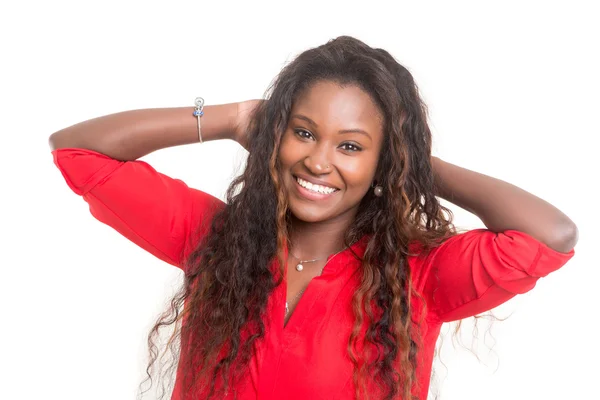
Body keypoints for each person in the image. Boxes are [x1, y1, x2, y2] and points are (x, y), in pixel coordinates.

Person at [48, 36, 578, 400]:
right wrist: (230, 117)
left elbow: (550, 235)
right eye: (302, 132)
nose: (318, 161)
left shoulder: (418, 275)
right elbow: (79, 152)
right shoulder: (216, 238)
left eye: (351, 145)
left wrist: (413, 161)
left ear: (383, 159)